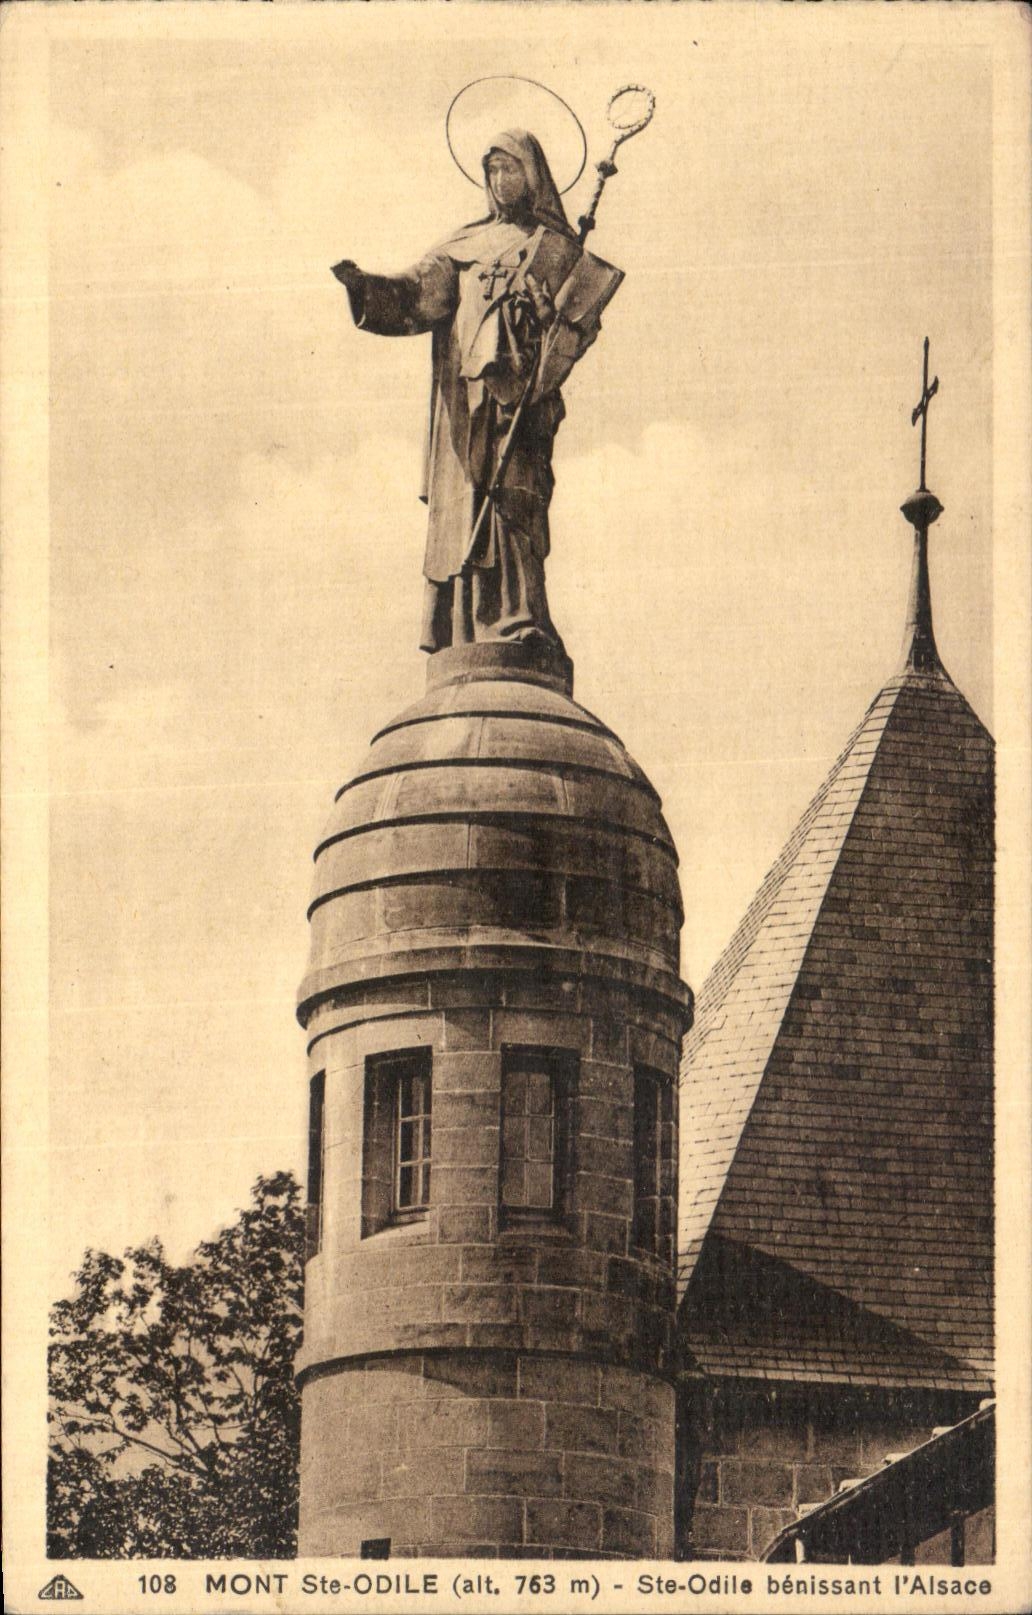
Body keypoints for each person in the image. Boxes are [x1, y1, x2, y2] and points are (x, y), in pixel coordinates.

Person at [332, 130, 620, 655]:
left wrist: (545, 316)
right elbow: (418, 292)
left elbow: (572, 325)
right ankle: (465, 632)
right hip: (465, 405)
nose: (500, 180)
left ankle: (520, 619)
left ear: (532, 176)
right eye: (491, 171)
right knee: (465, 507)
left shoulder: (553, 248)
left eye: (509, 169)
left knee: (516, 501)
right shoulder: (462, 247)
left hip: (520, 400)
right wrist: (365, 286)